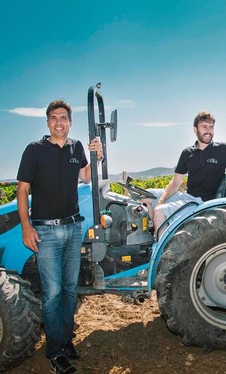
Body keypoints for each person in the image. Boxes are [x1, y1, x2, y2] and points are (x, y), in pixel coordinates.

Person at [17, 100, 103, 374]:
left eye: (63, 117)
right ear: (47, 123)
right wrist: (26, 226)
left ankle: (65, 340)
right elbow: (22, 189)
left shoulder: (77, 148)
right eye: (53, 117)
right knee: (52, 294)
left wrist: (97, 155)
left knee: (69, 290)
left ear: (70, 121)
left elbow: (87, 177)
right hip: (45, 231)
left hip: (73, 227)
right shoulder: (34, 150)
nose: (58, 122)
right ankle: (55, 351)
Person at [144, 110, 226, 232]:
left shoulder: (222, 149)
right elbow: (176, 182)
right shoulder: (188, 153)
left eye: (211, 127)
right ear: (195, 129)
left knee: (159, 211)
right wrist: (161, 199)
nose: (208, 131)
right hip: (188, 196)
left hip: (202, 202)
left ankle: (163, 247)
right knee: (146, 196)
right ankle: (153, 231)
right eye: (204, 127)